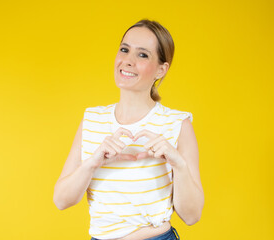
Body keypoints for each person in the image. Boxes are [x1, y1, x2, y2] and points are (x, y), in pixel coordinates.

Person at [53, 19, 204, 240]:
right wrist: (93, 162)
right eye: (124, 50)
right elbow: (61, 200)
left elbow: (192, 216)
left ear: (161, 70)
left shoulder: (177, 123)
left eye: (142, 55)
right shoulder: (92, 119)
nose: (128, 61)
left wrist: (178, 164)